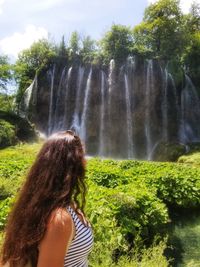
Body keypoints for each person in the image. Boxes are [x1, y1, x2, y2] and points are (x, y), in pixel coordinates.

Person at [1, 130, 93, 267]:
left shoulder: (44, 204)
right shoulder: (59, 219)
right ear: (71, 164)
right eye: (82, 157)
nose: (86, 162)